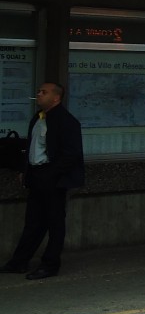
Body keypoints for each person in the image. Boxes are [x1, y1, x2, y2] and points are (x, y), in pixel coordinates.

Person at [2, 82, 84, 280]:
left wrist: (51, 174)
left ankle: (50, 264)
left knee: (54, 222)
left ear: (56, 98)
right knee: (33, 221)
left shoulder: (66, 121)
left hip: (52, 177)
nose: (38, 94)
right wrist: (25, 169)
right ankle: (20, 261)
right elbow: (31, 148)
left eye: (43, 92)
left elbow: (71, 154)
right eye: (38, 91)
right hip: (36, 175)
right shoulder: (38, 119)